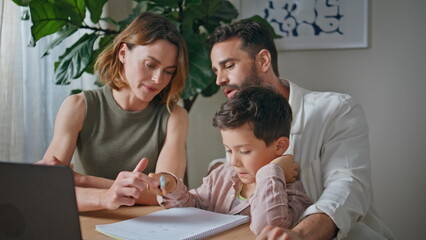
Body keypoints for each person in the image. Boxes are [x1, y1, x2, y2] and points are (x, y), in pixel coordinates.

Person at [206, 19, 394, 239]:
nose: (219, 79)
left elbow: (347, 189)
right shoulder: (242, 119)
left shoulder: (336, 109)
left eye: (228, 66)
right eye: (215, 70)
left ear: (263, 61)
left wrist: (299, 235)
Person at [37, 12, 189, 212]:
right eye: (150, 65)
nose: (158, 79)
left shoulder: (174, 117)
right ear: (123, 53)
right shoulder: (78, 106)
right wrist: (105, 197)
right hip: (90, 221)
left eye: (168, 71)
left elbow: (163, 195)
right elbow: (50, 187)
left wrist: (82, 180)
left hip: (148, 227)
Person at [149, 86, 311, 234]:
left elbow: (267, 228)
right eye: (228, 150)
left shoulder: (290, 192)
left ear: (280, 146)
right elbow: (194, 207)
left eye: (244, 151)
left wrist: (272, 170)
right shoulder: (223, 175)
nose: (234, 161)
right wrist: (172, 188)